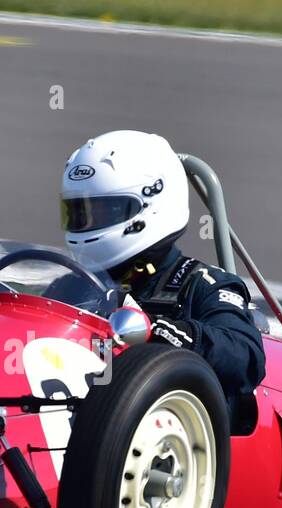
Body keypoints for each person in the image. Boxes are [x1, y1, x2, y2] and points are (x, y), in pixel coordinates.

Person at [60, 130, 266, 407]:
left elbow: (245, 360)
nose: (86, 224)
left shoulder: (204, 285)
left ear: (152, 204)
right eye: (79, 214)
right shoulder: (68, 288)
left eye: (102, 212)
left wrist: (157, 331)